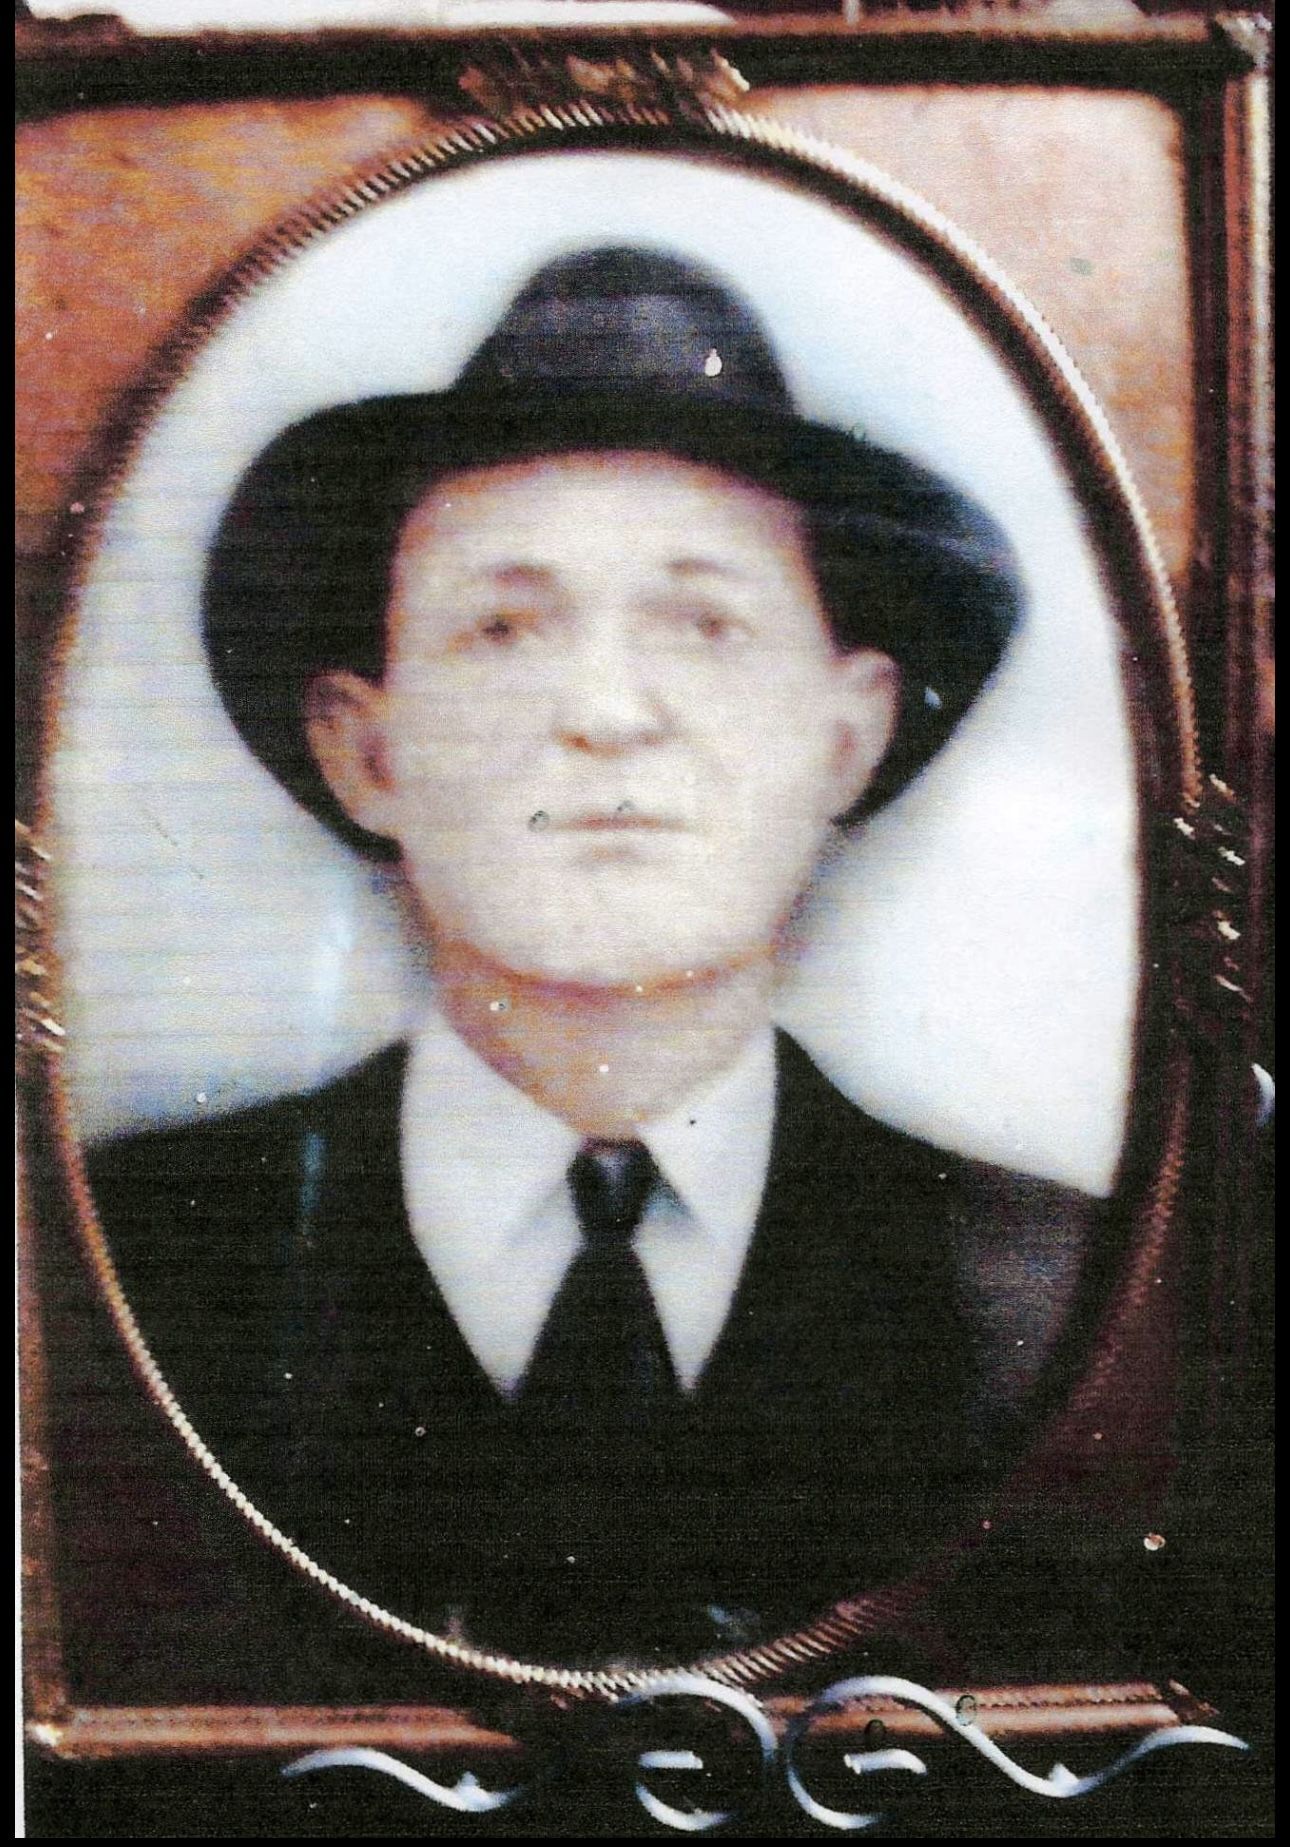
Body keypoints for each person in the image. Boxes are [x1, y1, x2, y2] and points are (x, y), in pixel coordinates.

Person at [84, 247, 1096, 1670]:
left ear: (847, 736)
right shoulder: (118, 1266)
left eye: (706, 624)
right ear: (365, 751)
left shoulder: (1054, 1291)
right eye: (502, 628)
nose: (609, 714)